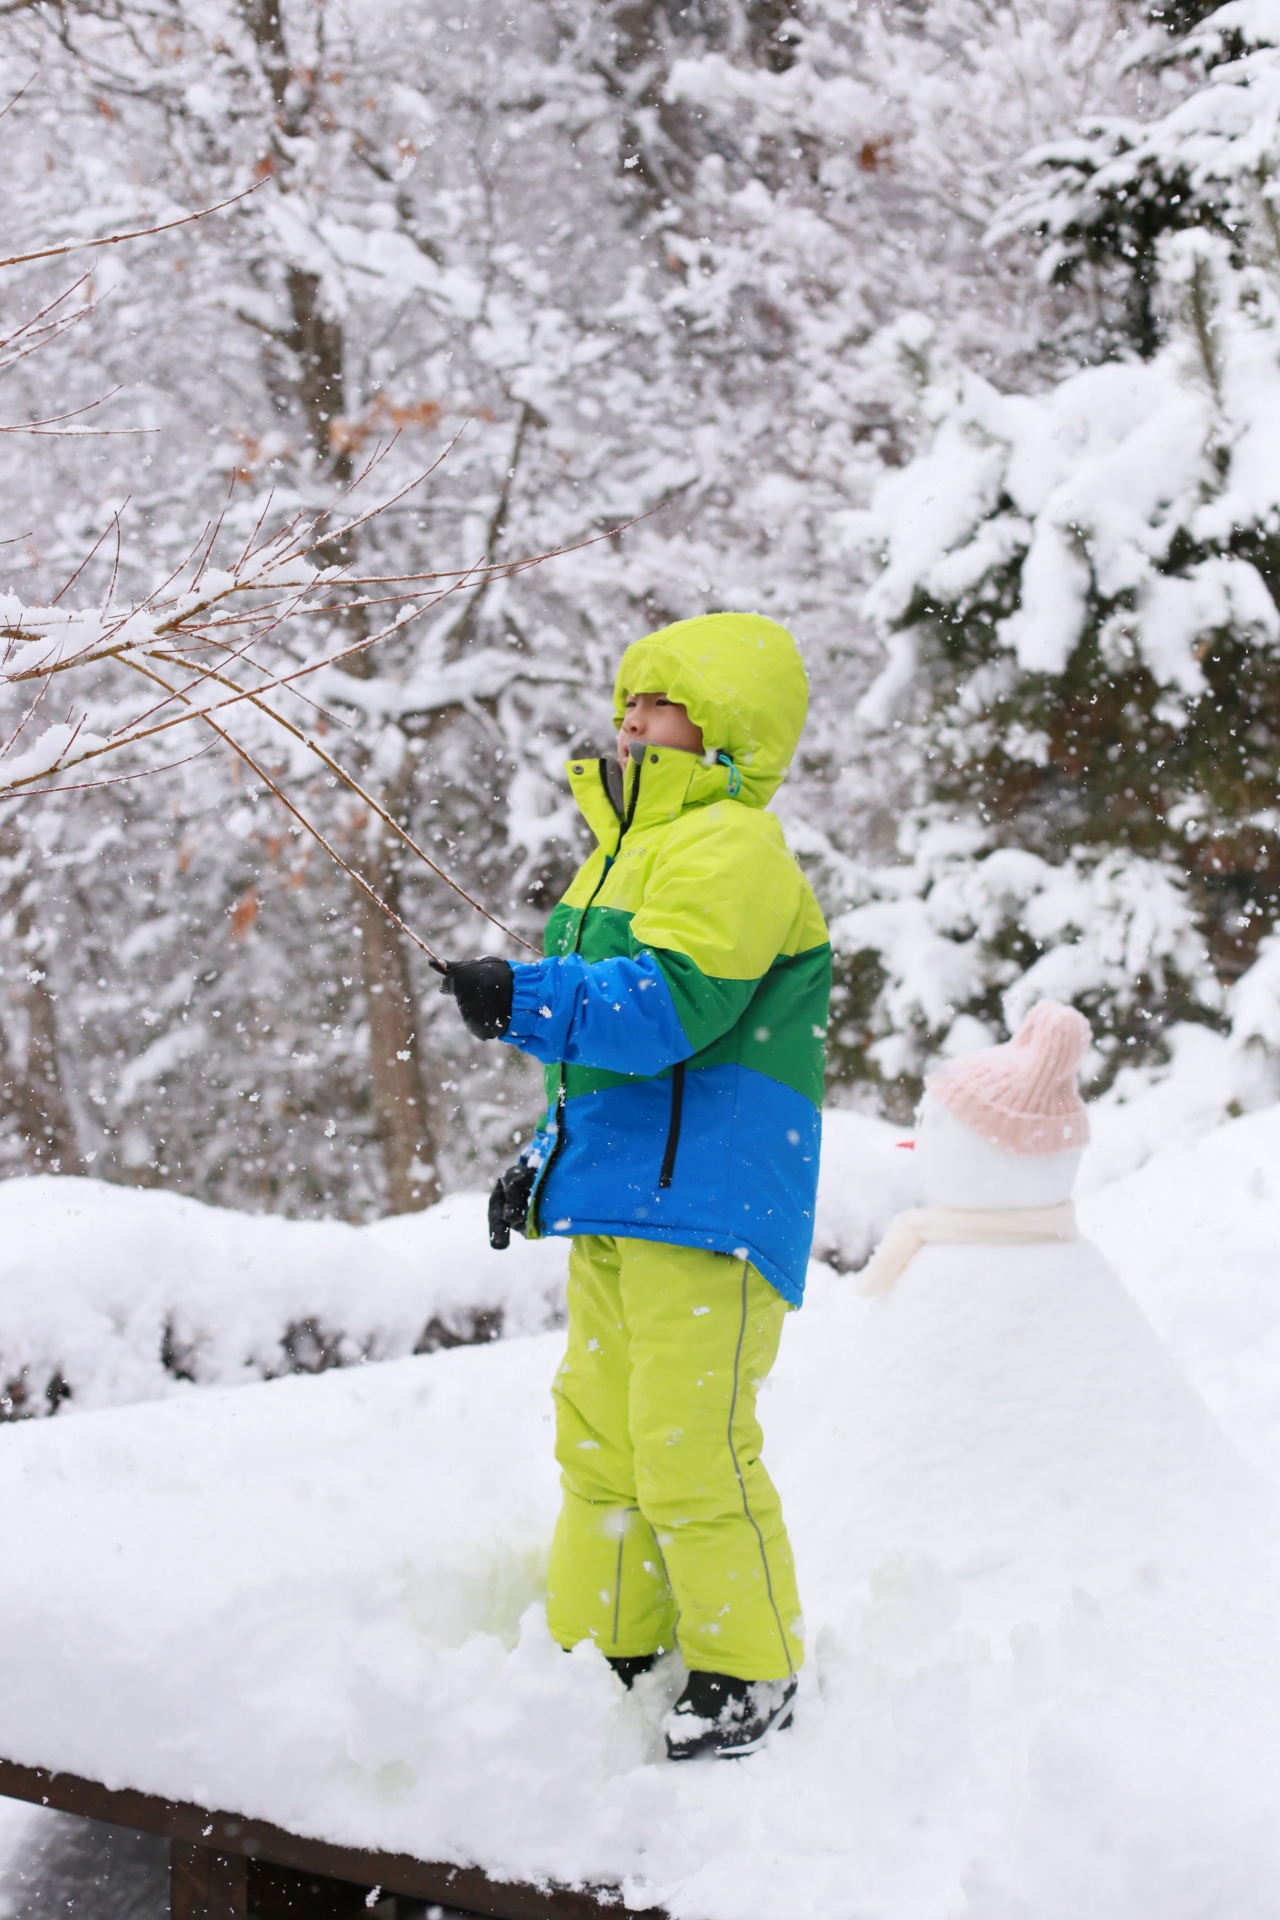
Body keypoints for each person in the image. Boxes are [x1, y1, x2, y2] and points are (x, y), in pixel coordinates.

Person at [437, 612, 830, 1760]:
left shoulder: (732, 851)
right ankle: (605, 1641)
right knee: (599, 1436)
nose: (629, 718)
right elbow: (598, 1065)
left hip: (708, 1208)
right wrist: (542, 1161)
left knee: (687, 1441)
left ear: (722, 733)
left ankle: (749, 1665)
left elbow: (664, 1011)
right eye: (629, 698)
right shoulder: (619, 850)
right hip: (623, 1199)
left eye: (657, 703)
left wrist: (522, 994)